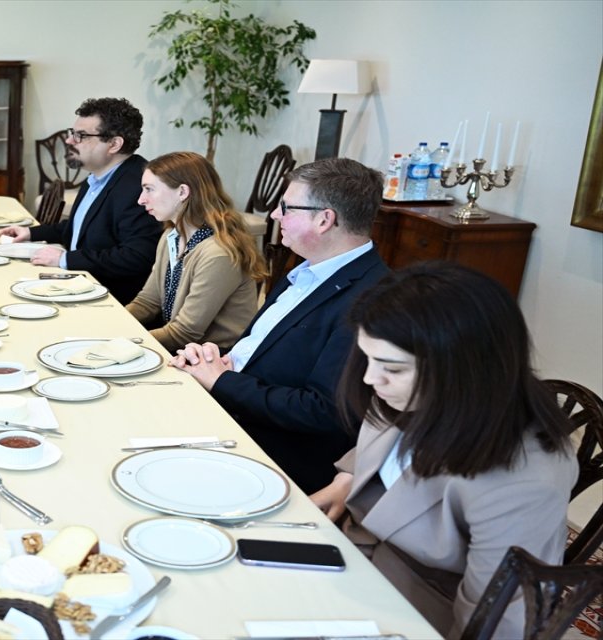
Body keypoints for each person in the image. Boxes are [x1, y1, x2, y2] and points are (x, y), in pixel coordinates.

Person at [309, 262, 576, 638]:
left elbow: (496, 619)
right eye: (367, 358)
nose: (370, 378)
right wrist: (347, 480)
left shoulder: (524, 480)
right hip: (353, 559)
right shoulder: (409, 391)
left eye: (391, 368)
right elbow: (386, 446)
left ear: (461, 367)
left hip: (422, 609)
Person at [171, 157, 390, 493]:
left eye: (286, 207)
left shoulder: (372, 299)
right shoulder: (306, 269)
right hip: (233, 405)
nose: (274, 215)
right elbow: (267, 349)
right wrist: (220, 359)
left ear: (324, 220)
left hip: (271, 449)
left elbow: (323, 411)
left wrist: (222, 381)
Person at [0, 97, 161, 303]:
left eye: (80, 136)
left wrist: (64, 259)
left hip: (110, 300)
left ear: (114, 144)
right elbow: (80, 229)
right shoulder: (97, 176)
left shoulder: (138, 187)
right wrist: (30, 232)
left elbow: (136, 257)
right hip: (78, 286)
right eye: (72, 133)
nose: (69, 141)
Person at [125, 152, 266, 353]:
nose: (141, 200)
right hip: (185, 350)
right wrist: (113, 324)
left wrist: (120, 341)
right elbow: (148, 302)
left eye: (149, 189)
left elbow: (184, 333)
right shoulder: (170, 237)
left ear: (182, 192)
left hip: (216, 359)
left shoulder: (218, 254)